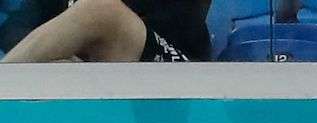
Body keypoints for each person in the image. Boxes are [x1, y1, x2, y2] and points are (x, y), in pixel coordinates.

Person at [0, 0, 208, 62]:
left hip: (182, 79)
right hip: (98, 85)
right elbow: (17, 28)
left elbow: (181, 25)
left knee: (102, 13)